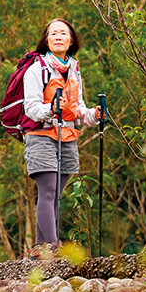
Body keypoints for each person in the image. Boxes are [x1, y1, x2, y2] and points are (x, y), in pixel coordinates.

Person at [22, 18, 102, 259]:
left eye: (63, 33)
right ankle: (54, 246)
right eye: (53, 33)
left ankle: (39, 248)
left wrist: (94, 115)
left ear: (71, 41)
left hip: (67, 135)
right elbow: (30, 108)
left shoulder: (74, 71)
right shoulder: (36, 70)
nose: (58, 37)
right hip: (41, 134)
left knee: (56, 194)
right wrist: (51, 109)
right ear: (46, 41)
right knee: (48, 191)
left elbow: (77, 109)